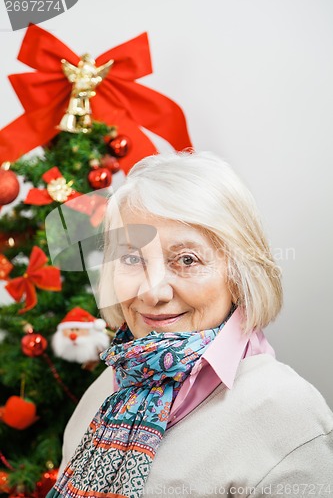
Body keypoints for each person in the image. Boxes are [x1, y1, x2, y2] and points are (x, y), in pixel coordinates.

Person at [47, 151, 333, 498]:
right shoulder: (109, 387)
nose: (153, 291)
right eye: (131, 258)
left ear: (239, 272)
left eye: (187, 259)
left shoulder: (287, 412)